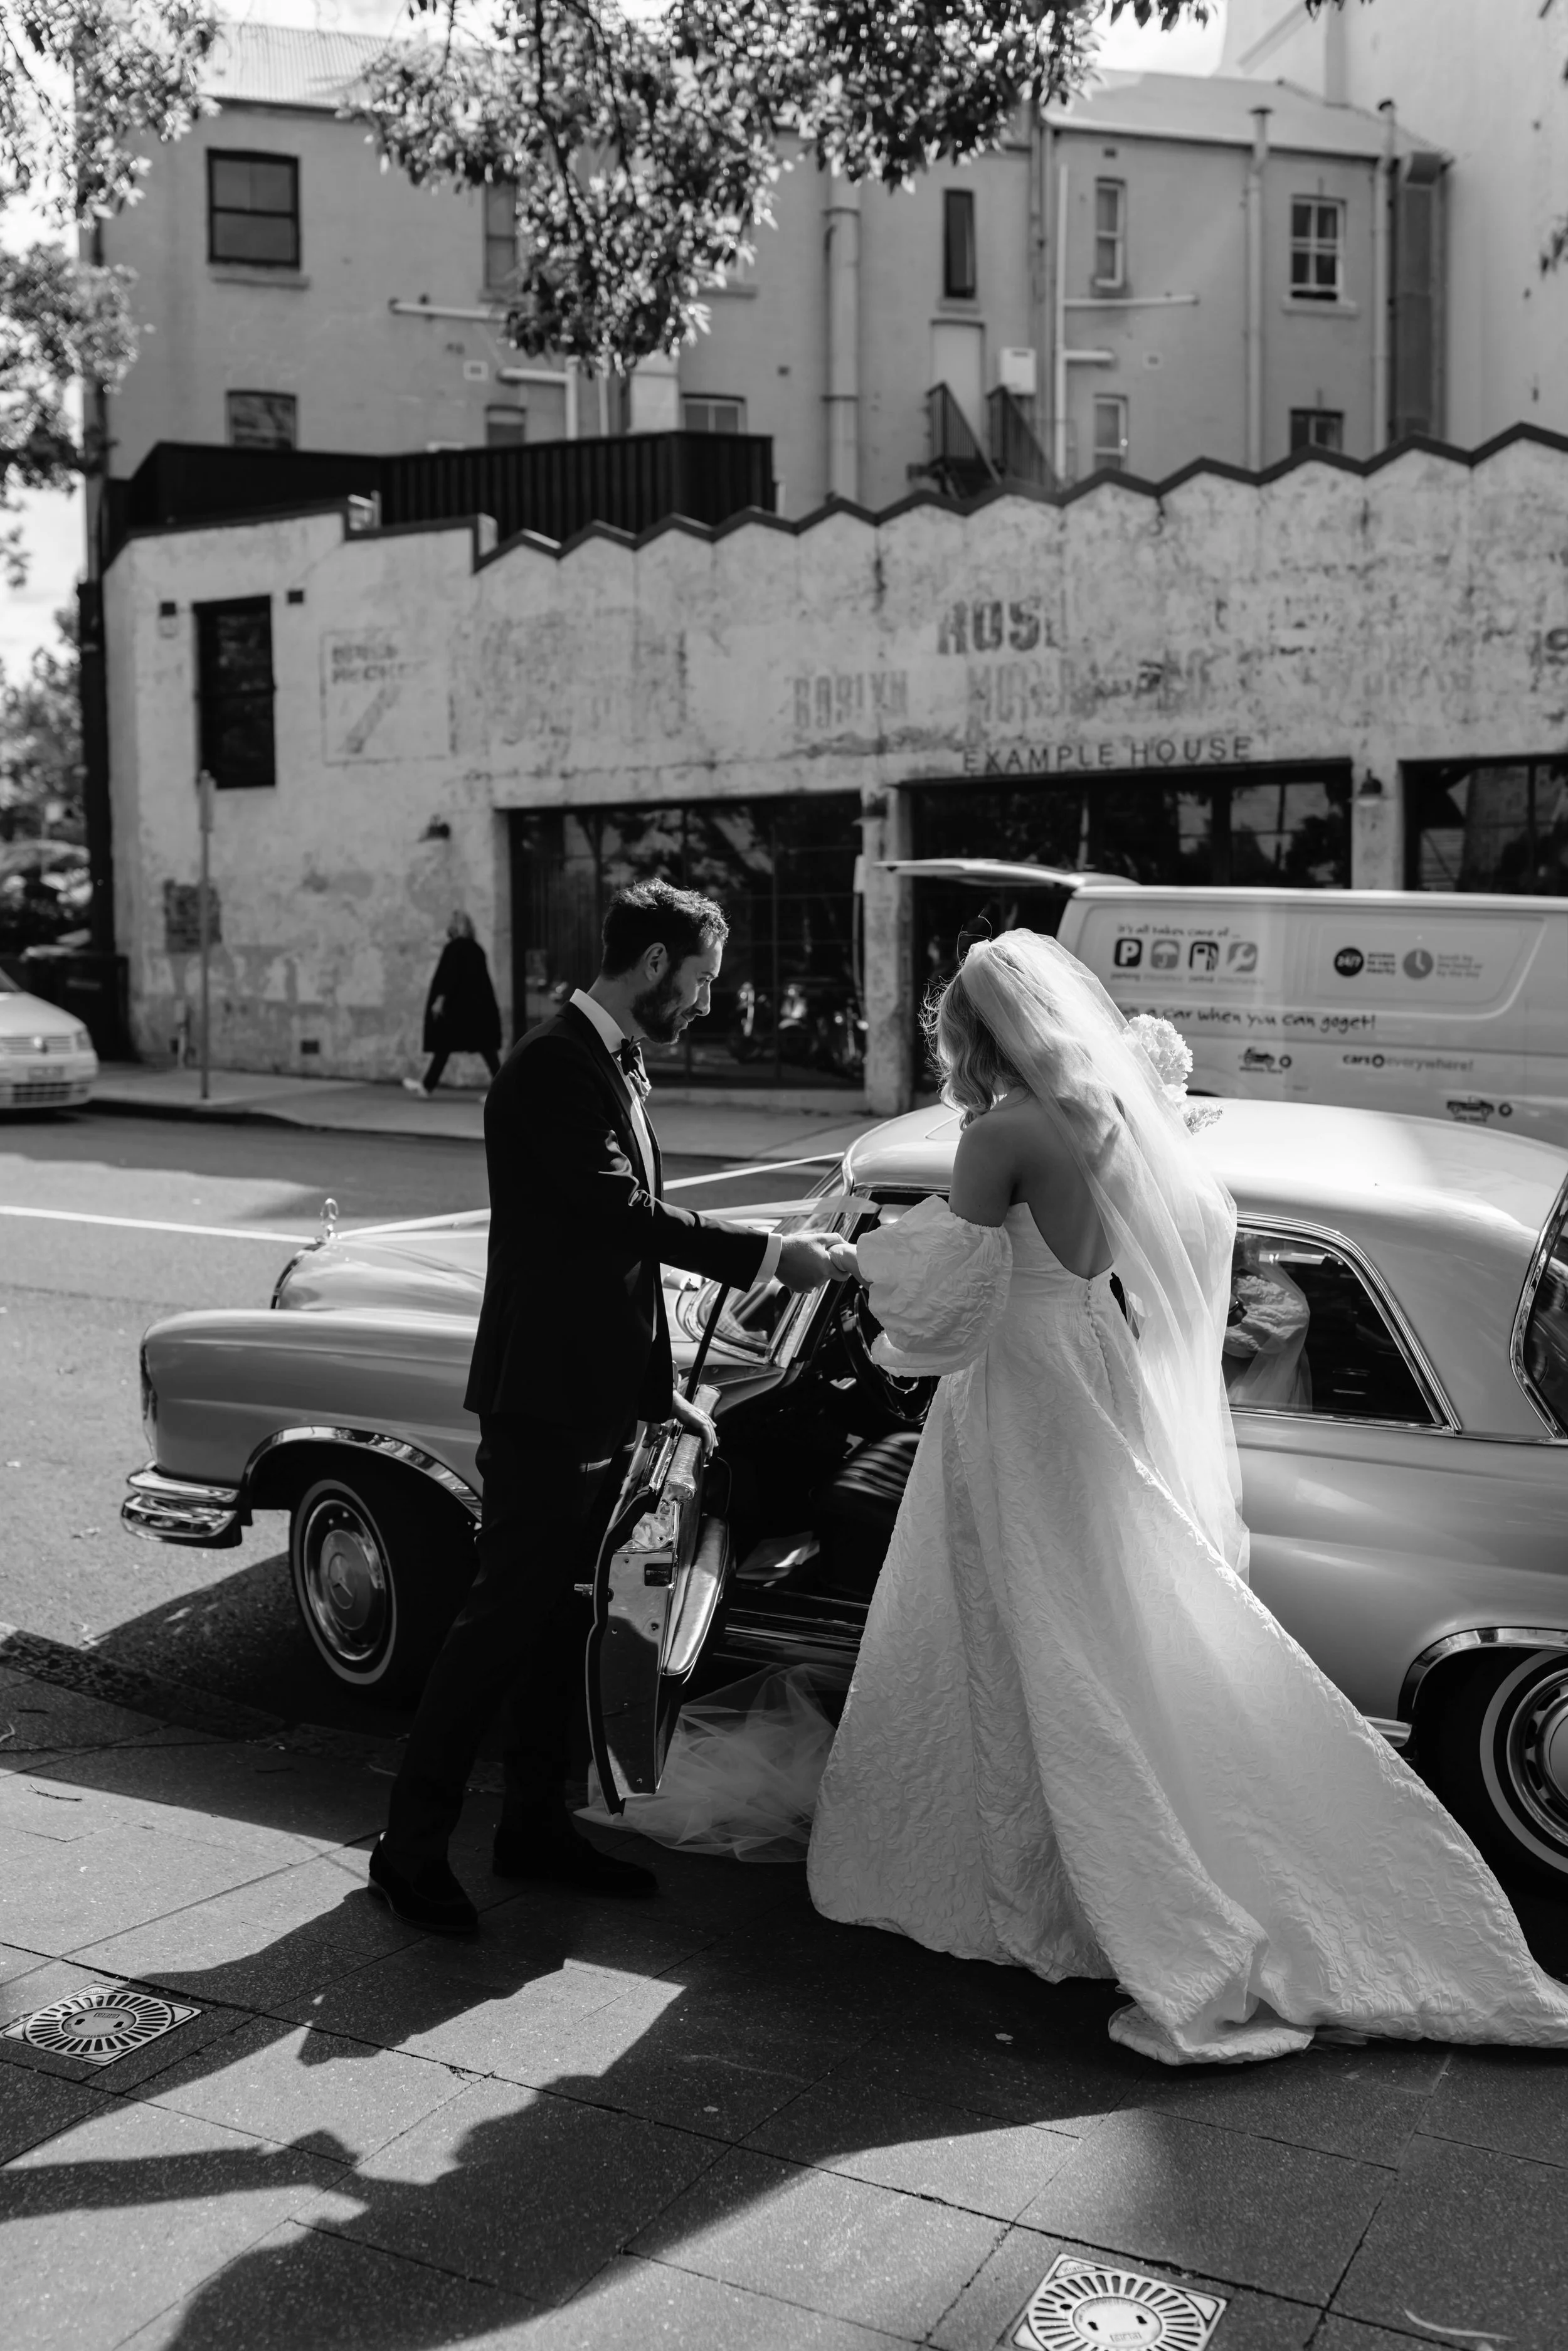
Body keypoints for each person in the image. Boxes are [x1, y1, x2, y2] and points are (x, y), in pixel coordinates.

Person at [803, 932, 1568, 2063]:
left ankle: (1099, 1877)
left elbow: (946, 1294)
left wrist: (845, 1267)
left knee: (1029, 1619)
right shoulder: (1104, 1115)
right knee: (1103, 1610)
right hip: (1093, 1359)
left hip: (1018, 1386)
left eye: (954, 1034)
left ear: (977, 1034)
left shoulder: (1001, 1130)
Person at [369, 880, 835, 1933]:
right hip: (540, 1405)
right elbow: (613, 1212)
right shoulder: (549, 1065)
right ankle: (407, 1849)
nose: (708, 1002)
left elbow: (608, 1268)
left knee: (563, 1625)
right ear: (658, 962)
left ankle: (535, 1825)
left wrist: (660, 1389)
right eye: (704, 979)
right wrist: (768, 1254)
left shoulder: (609, 1062)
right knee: (495, 1628)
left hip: (596, 1398)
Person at [403, 913, 502, 1097]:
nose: (448, 926)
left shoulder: (454, 948)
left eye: (452, 923)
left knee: (447, 1047)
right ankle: (427, 1086)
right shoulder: (476, 949)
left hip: (458, 1011)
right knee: (485, 1050)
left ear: (458, 926)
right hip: (478, 1010)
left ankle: (427, 1087)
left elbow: (448, 976)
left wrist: (440, 1000)